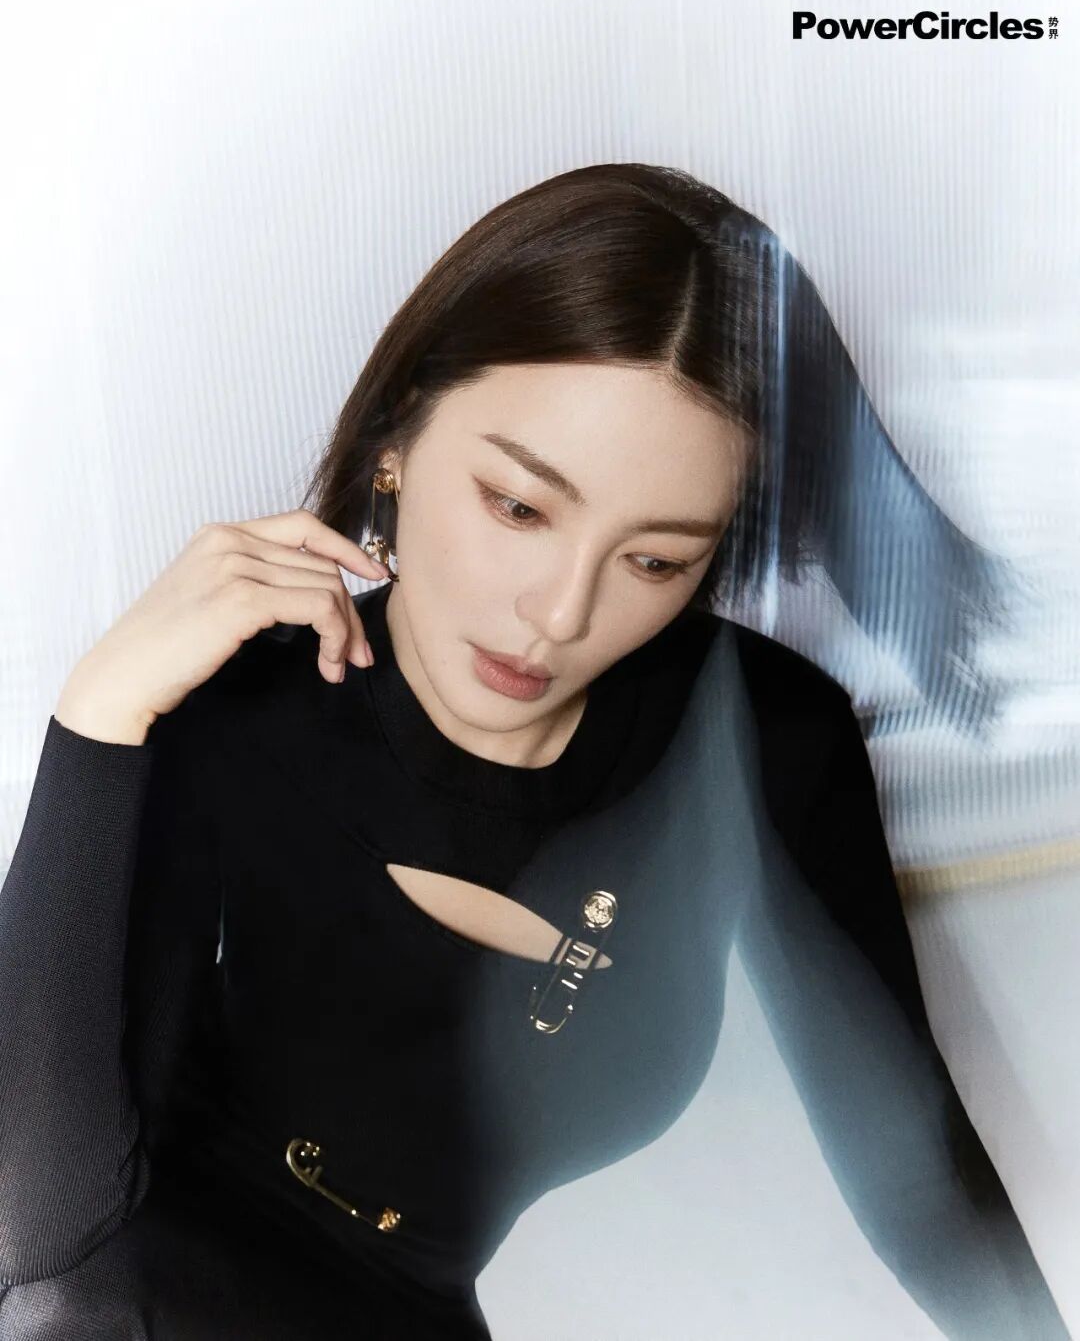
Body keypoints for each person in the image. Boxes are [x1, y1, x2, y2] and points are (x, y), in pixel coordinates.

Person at [0, 163, 1067, 1339]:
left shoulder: (762, 738)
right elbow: (35, 1240)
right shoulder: (237, 703)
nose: (559, 615)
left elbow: (919, 1181)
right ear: (399, 437)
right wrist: (96, 716)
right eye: (519, 507)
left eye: (655, 560)